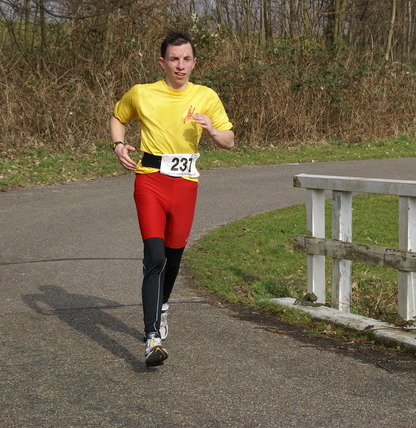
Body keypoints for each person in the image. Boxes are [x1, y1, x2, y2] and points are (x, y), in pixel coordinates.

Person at [110, 30, 234, 367]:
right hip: (150, 181)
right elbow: (118, 118)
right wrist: (119, 145)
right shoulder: (142, 94)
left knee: (174, 256)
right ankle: (152, 338)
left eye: (187, 59)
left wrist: (212, 131)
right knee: (154, 256)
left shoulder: (206, 96)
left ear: (194, 62)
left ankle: (163, 305)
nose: (181, 66)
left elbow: (230, 141)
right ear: (162, 62)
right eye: (174, 59)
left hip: (185, 186)